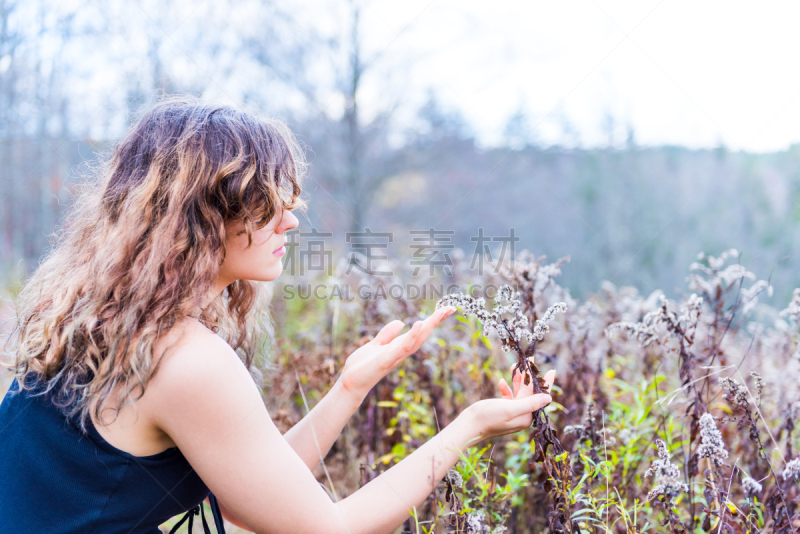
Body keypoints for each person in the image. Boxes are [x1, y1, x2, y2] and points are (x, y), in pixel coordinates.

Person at [0, 96, 554, 534]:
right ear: (198, 219)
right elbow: (327, 529)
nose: (289, 221)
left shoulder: (104, 324)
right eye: (264, 204)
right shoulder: (183, 358)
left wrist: (347, 389)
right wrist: (468, 427)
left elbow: (250, 495)